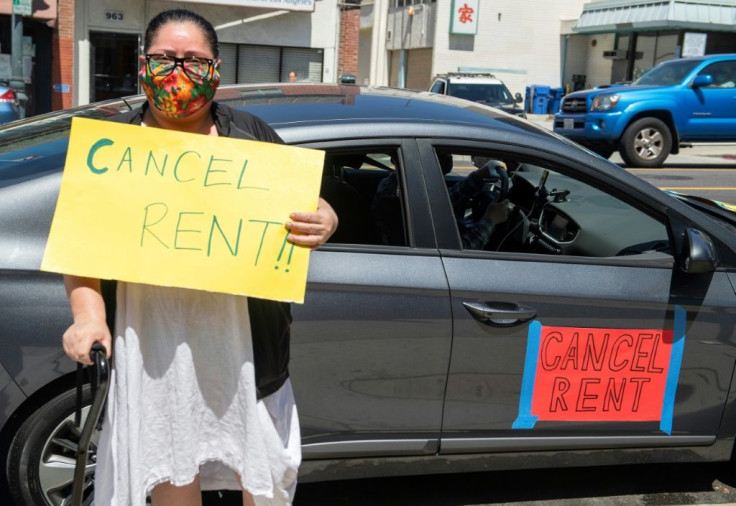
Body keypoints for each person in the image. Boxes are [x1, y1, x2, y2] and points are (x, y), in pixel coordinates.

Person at [61, 9, 337, 506]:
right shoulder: (112, 151)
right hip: (155, 355)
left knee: (265, 477)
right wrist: (88, 318)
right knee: (170, 470)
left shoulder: (251, 137)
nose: (179, 71)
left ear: (217, 68)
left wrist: (326, 218)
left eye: (195, 60)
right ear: (143, 65)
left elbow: (308, 204)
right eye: (166, 59)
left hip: (248, 353)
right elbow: (83, 250)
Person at [371, 152, 508, 249]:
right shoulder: (404, 200)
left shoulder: (400, 185)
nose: (449, 158)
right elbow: (460, 251)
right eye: (444, 154)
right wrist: (491, 220)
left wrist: (479, 176)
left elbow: (441, 203)